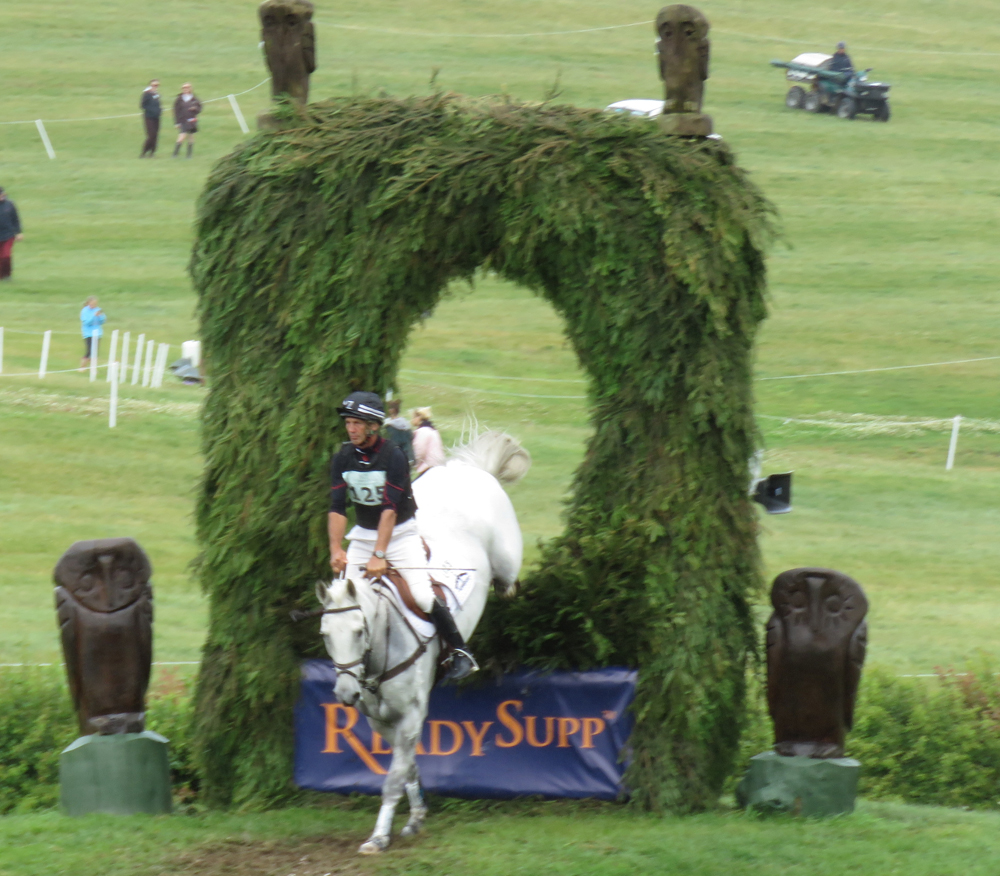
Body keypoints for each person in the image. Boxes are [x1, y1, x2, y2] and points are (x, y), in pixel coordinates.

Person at [328, 391, 477, 680]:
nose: (351, 428)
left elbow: (389, 511)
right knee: (343, 601)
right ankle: (352, 663)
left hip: (400, 536)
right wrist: (336, 549)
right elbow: (336, 508)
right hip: (363, 536)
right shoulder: (343, 457)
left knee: (421, 595)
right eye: (348, 423)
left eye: (357, 423)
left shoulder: (393, 457)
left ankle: (460, 650)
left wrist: (380, 555)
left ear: (373, 426)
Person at [411, 407, 445, 475]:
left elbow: (419, 451)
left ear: (419, 417)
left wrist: (414, 464)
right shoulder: (433, 430)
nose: (412, 420)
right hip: (439, 465)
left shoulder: (422, 431)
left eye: (414, 417)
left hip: (428, 467)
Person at [172, 83, 202, 159]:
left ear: (190, 89)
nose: (186, 89)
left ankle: (189, 155)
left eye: (187, 88)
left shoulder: (194, 98)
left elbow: (199, 108)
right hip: (183, 120)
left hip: (192, 119)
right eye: (184, 88)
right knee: (182, 136)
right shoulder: (179, 99)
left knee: (191, 136)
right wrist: (177, 122)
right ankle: (175, 154)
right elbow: (176, 111)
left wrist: (195, 109)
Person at [0, 187, 24, 282]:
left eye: (2, 194)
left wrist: (18, 232)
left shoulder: (9, 205)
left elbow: (15, 219)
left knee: (6, 255)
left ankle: (7, 275)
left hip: (8, 235)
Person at [384, 398, 415, 466]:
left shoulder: (388, 426)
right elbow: (410, 439)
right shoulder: (406, 425)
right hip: (407, 457)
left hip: (394, 458)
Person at [79, 296, 106, 369]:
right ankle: (82, 366)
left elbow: (102, 321)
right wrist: (94, 316)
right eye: (92, 304)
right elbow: (86, 323)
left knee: (95, 352)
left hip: (97, 333)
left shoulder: (98, 310)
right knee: (89, 351)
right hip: (88, 333)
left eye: (95, 304)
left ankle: (93, 368)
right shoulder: (84, 311)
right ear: (88, 303)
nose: (93, 306)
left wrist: (100, 316)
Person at [139, 79, 162, 157]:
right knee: (151, 135)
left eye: (157, 85)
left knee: (155, 135)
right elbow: (142, 105)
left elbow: (158, 105)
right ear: (150, 85)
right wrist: (151, 110)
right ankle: (144, 152)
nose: (155, 87)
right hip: (149, 117)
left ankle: (152, 152)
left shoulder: (157, 94)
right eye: (154, 85)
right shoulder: (146, 94)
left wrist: (159, 110)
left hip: (157, 117)